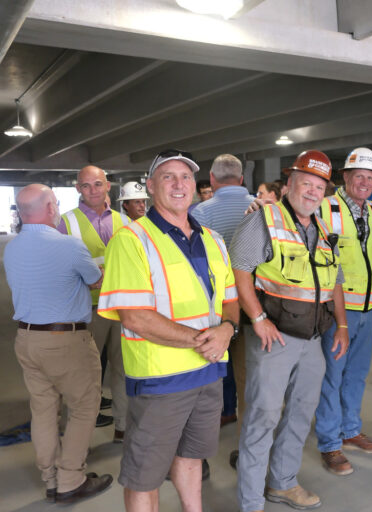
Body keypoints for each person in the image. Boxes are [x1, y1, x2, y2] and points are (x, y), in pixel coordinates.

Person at [98, 149, 239, 512]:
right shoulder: (131, 241)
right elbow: (135, 318)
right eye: (168, 177)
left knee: (192, 459)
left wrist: (227, 328)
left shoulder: (213, 239)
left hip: (208, 374)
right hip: (161, 381)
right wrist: (203, 340)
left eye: (186, 177)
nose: (179, 184)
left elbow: (230, 299)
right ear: (149, 186)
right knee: (145, 475)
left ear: (196, 185)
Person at [230, 150, 348, 512]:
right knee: (263, 417)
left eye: (319, 187)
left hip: (313, 340)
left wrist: (341, 325)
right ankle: (250, 502)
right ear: (289, 184)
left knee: (300, 413)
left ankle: (282, 483)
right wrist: (258, 318)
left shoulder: (323, 227)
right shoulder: (262, 220)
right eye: (306, 184)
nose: (312, 192)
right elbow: (239, 270)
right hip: (274, 339)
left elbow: (336, 281)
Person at [5, 184, 113, 505]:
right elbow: (95, 280)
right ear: (51, 208)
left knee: (43, 411)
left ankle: (50, 479)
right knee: (83, 408)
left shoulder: (12, 247)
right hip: (66, 340)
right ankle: (71, 479)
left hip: (27, 340)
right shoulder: (70, 245)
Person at [313, 147, 372, 476]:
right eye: (359, 176)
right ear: (345, 177)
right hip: (338, 311)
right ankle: (330, 443)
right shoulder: (325, 208)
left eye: (369, 178)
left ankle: (350, 429)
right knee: (332, 376)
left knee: (356, 375)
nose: (364, 182)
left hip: (369, 308)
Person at [58, 165, 131, 440]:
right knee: (85, 376)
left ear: (107, 186)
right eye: (86, 185)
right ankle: (81, 437)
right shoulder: (66, 223)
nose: (92, 191)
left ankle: (123, 428)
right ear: (77, 188)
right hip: (86, 309)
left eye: (98, 184)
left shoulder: (124, 222)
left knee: (124, 370)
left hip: (121, 306)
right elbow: (60, 268)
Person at [190, 154, 255, 435]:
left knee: (218, 361)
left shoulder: (199, 213)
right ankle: (249, 430)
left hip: (216, 305)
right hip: (255, 304)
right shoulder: (263, 208)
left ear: (212, 180)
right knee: (249, 370)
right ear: (241, 179)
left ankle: (223, 412)